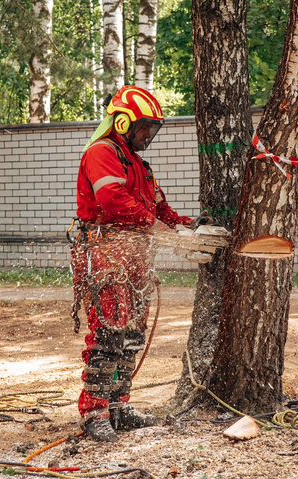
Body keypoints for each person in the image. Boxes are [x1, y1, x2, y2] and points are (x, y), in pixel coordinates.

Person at [71, 85, 194, 442]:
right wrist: (153, 224)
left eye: (152, 129)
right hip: (106, 254)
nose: (148, 135)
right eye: (144, 127)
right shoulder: (102, 152)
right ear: (123, 122)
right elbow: (111, 200)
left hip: (136, 257)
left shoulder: (139, 165)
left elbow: (160, 211)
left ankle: (119, 405)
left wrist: (187, 227)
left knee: (132, 335)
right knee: (109, 331)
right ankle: (94, 410)